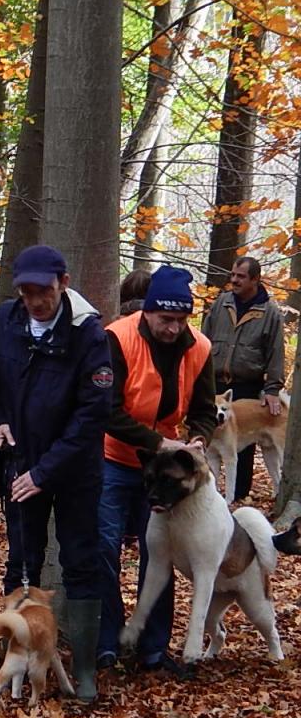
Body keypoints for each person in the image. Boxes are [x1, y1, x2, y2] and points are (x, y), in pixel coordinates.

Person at [0, 245, 111, 702]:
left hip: (74, 468)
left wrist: (46, 471)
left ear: (63, 281)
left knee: (81, 560)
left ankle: (82, 670)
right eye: (26, 291)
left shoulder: (88, 332)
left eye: (42, 290)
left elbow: (93, 411)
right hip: (21, 460)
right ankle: (12, 663)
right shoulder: (6, 321)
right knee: (22, 559)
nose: (35, 300)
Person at [98, 264, 217, 676]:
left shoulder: (199, 347)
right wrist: (156, 443)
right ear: (147, 312)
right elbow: (106, 411)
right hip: (115, 459)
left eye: (181, 320)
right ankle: (107, 644)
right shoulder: (118, 337)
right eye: (165, 319)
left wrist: (198, 439)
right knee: (104, 548)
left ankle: (152, 649)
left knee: (158, 555)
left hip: (168, 469)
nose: (172, 328)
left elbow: (204, 412)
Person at [200, 256, 284, 502]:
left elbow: (276, 352)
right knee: (207, 432)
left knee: (243, 444)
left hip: (248, 381)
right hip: (215, 381)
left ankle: (238, 495)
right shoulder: (221, 303)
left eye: (240, 276)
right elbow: (204, 340)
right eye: (233, 274)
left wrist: (272, 389)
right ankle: (209, 490)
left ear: (255, 280)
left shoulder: (269, 312)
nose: (234, 280)